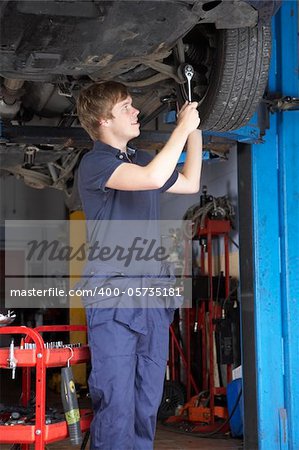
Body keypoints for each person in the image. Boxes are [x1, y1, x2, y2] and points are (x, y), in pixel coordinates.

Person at [76, 81, 202, 450]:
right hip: (114, 297)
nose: (135, 112)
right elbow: (150, 180)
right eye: (126, 106)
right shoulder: (96, 164)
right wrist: (179, 128)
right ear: (103, 120)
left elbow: (191, 182)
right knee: (116, 403)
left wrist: (195, 129)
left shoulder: (143, 159)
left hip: (151, 296)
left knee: (147, 402)